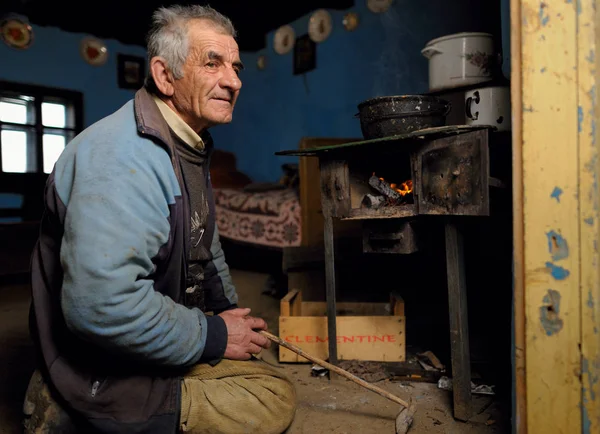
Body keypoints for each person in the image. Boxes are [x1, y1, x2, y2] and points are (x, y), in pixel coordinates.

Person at [23, 4, 297, 434]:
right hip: (98, 360)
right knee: (270, 399)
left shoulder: (188, 141)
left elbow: (205, 240)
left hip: (141, 336)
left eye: (236, 66)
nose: (234, 80)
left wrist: (228, 316)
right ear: (165, 76)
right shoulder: (120, 156)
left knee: (257, 369)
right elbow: (98, 305)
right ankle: (71, 401)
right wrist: (214, 336)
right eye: (213, 63)